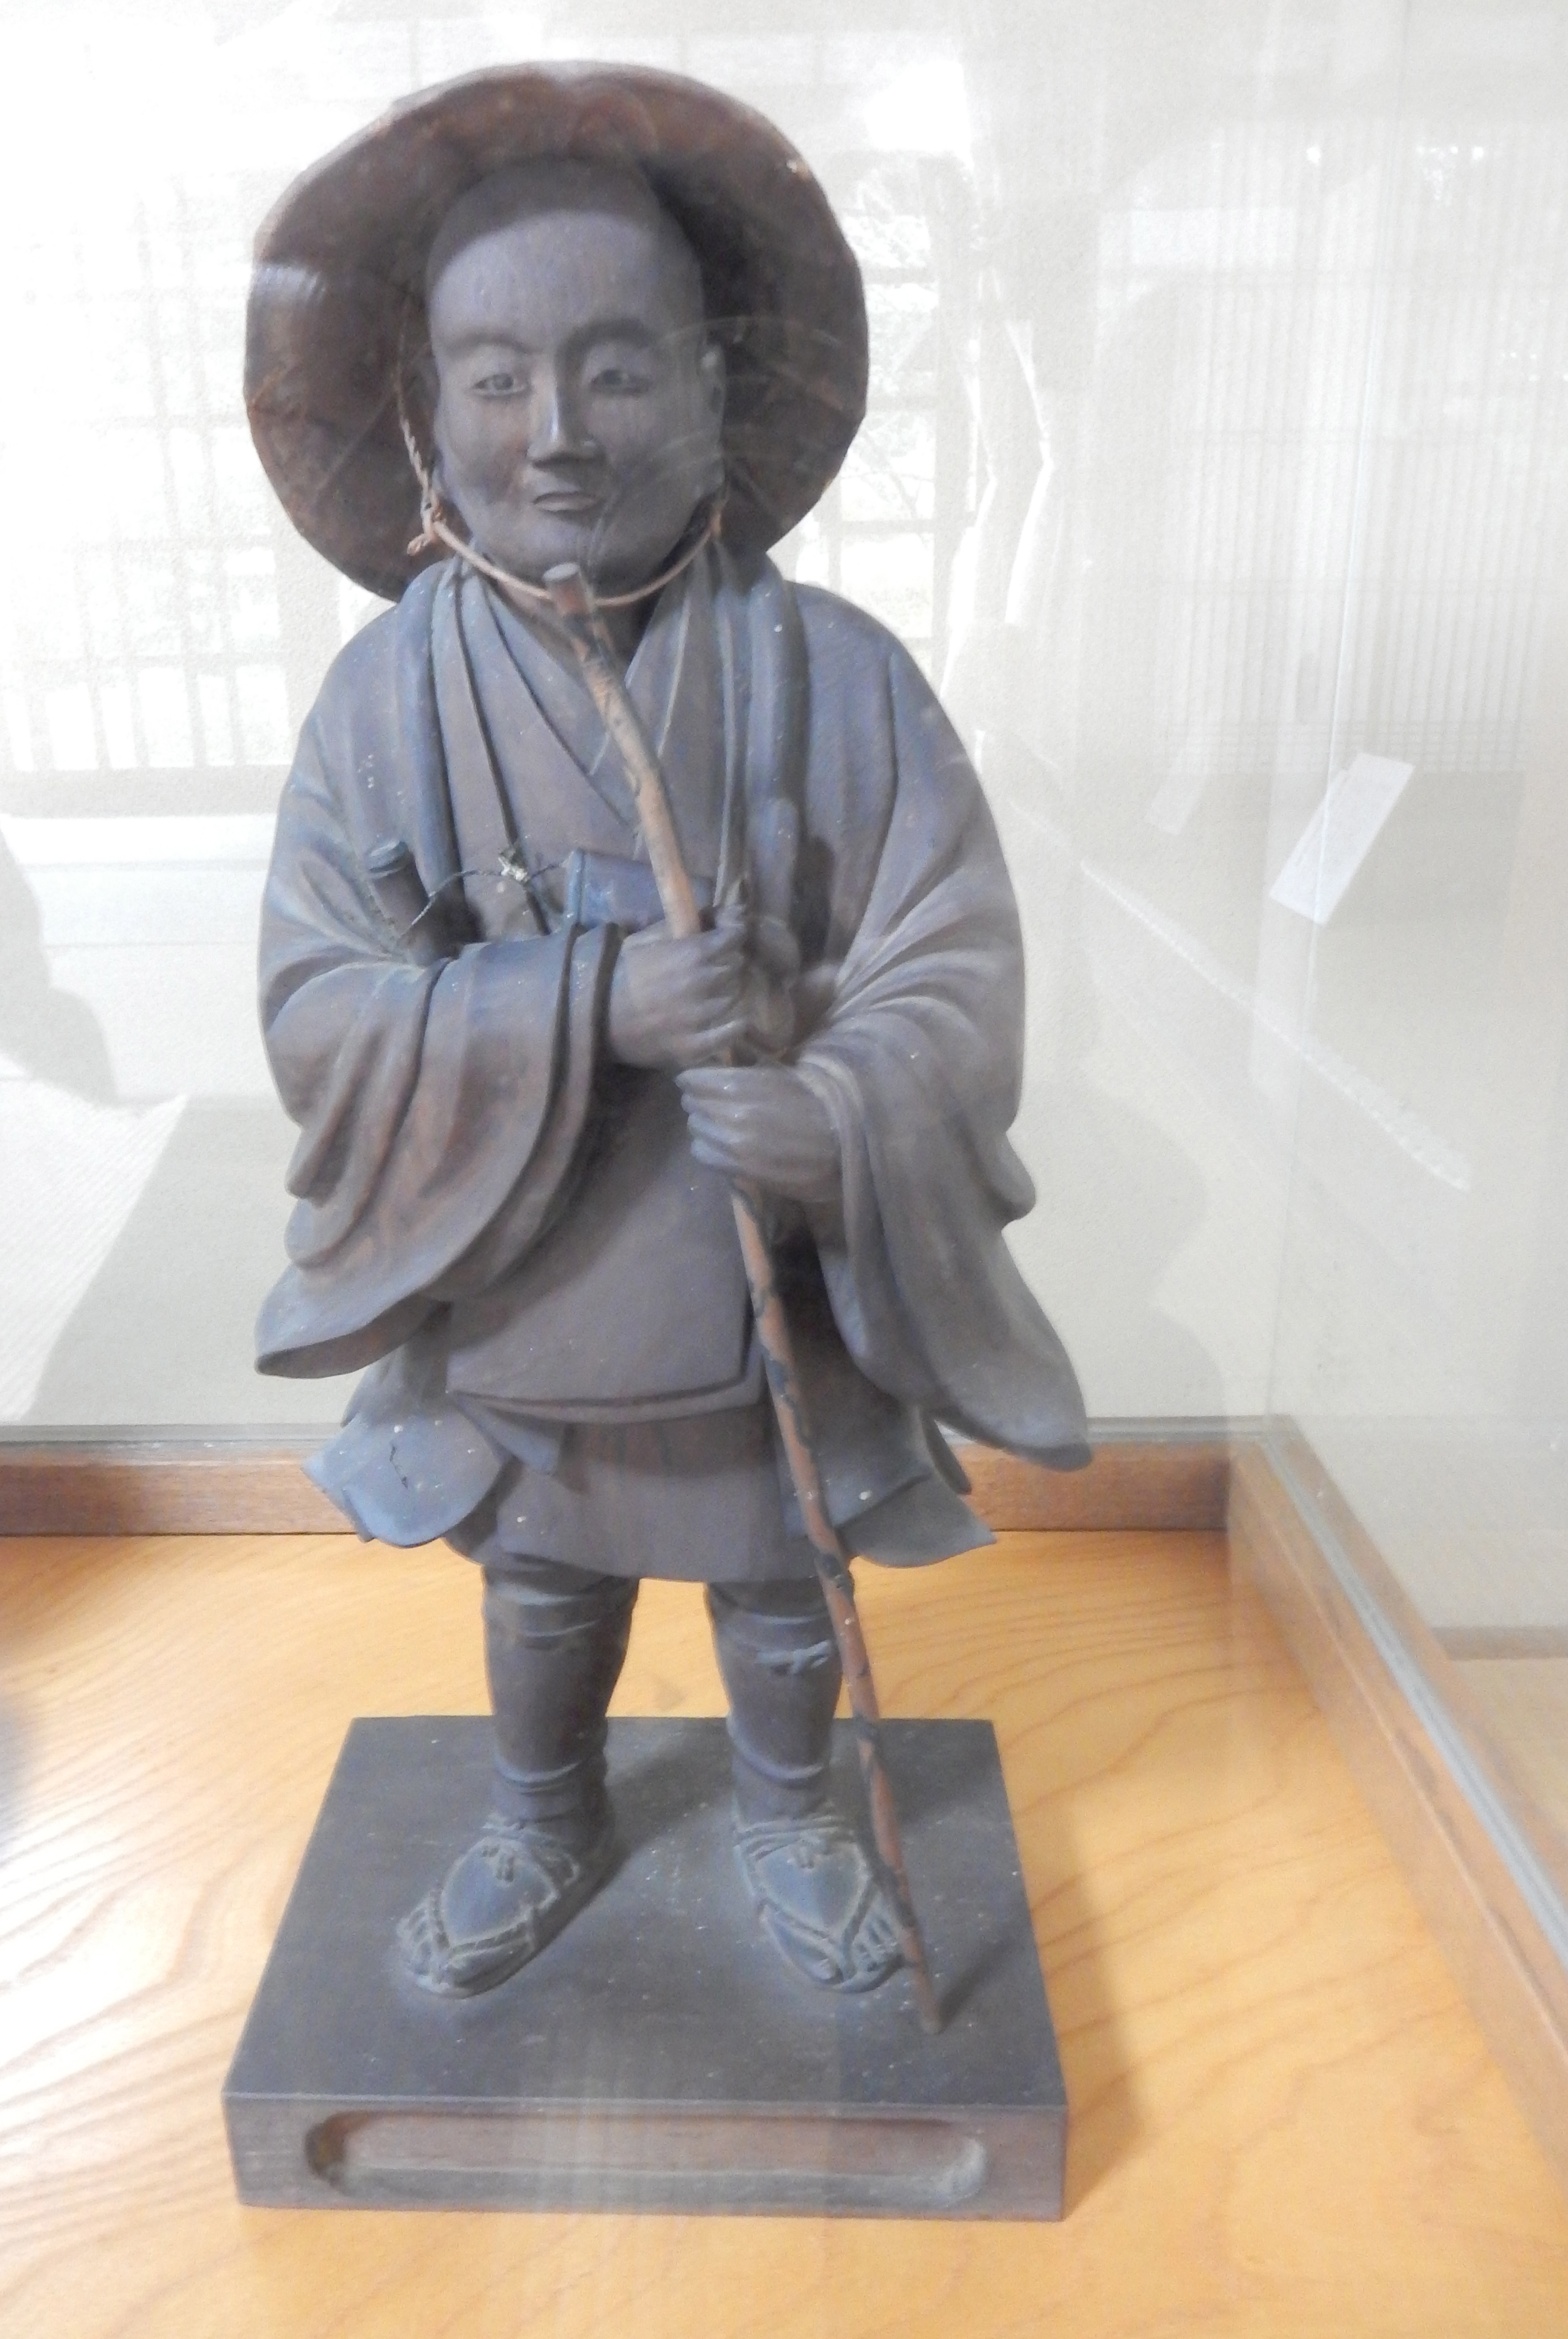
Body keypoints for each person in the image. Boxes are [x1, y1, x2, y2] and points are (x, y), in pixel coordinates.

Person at [246, 66, 1088, 2001]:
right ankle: (542, 1811)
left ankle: (796, 1821)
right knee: (543, 1575)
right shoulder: (384, 708)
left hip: (760, 1274)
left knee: (780, 1563)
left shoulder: (839, 680)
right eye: (496, 377)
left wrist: (842, 1110)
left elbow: (950, 964)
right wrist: (579, 1008)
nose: (555, 436)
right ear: (421, 412)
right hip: (526, 1279)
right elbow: (318, 1001)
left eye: (618, 371)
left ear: (718, 389)